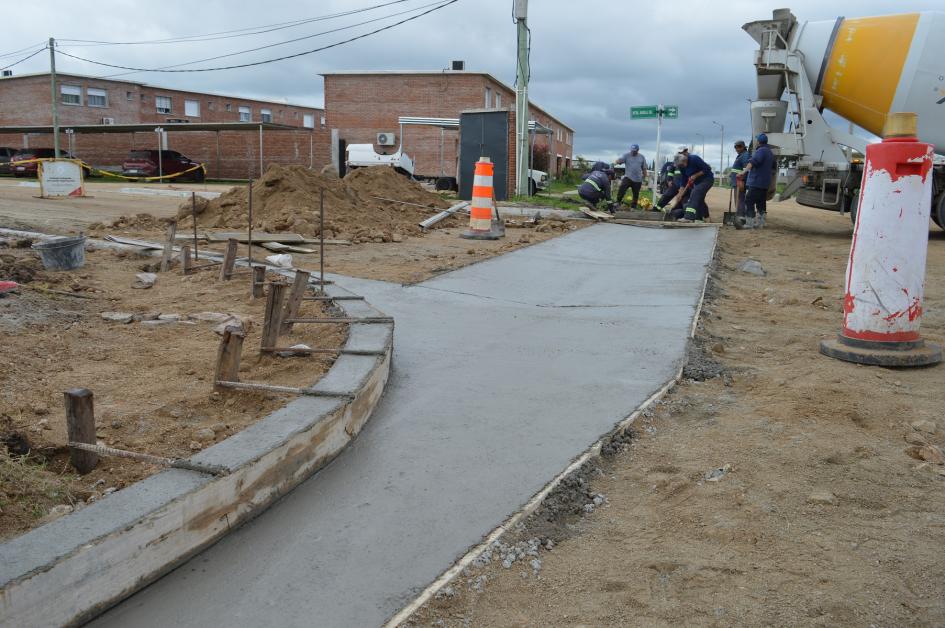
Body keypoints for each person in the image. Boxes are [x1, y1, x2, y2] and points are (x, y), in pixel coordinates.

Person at [737, 133, 775, 228]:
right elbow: (773, 166)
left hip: (756, 182)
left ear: (758, 142)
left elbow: (753, 162)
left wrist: (743, 172)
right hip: (765, 183)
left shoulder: (761, 151)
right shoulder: (770, 152)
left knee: (749, 200)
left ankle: (749, 223)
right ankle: (761, 223)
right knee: (761, 202)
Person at [674, 151, 714, 223]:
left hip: (707, 180)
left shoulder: (694, 159)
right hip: (697, 183)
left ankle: (689, 217)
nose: (682, 166)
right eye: (680, 165)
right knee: (700, 199)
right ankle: (707, 217)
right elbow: (683, 180)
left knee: (695, 193)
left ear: (685, 159)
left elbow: (707, 168)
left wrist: (696, 175)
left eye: (682, 164)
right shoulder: (681, 167)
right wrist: (680, 194)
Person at [615, 144, 647, 209]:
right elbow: (620, 160)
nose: (633, 152)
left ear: (637, 150)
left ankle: (633, 206)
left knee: (636, 193)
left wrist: (644, 176)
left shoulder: (641, 157)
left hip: (638, 179)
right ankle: (618, 201)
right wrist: (618, 161)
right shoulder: (626, 155)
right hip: (628, 177)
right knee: (622, 188)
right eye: (632, 151)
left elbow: (644, 168)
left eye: (634, 151)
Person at [730, 140, 750, 217]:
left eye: (738, 147)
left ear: (743, 147)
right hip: (736, 182)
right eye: (735, 148)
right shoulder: (740, 155)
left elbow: (746, 169)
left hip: (740, 182)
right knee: (738, 199)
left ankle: (740, 216)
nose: (736, 149)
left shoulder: (745, 155)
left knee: (740, 199)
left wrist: (742, 180)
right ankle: (739, 215)